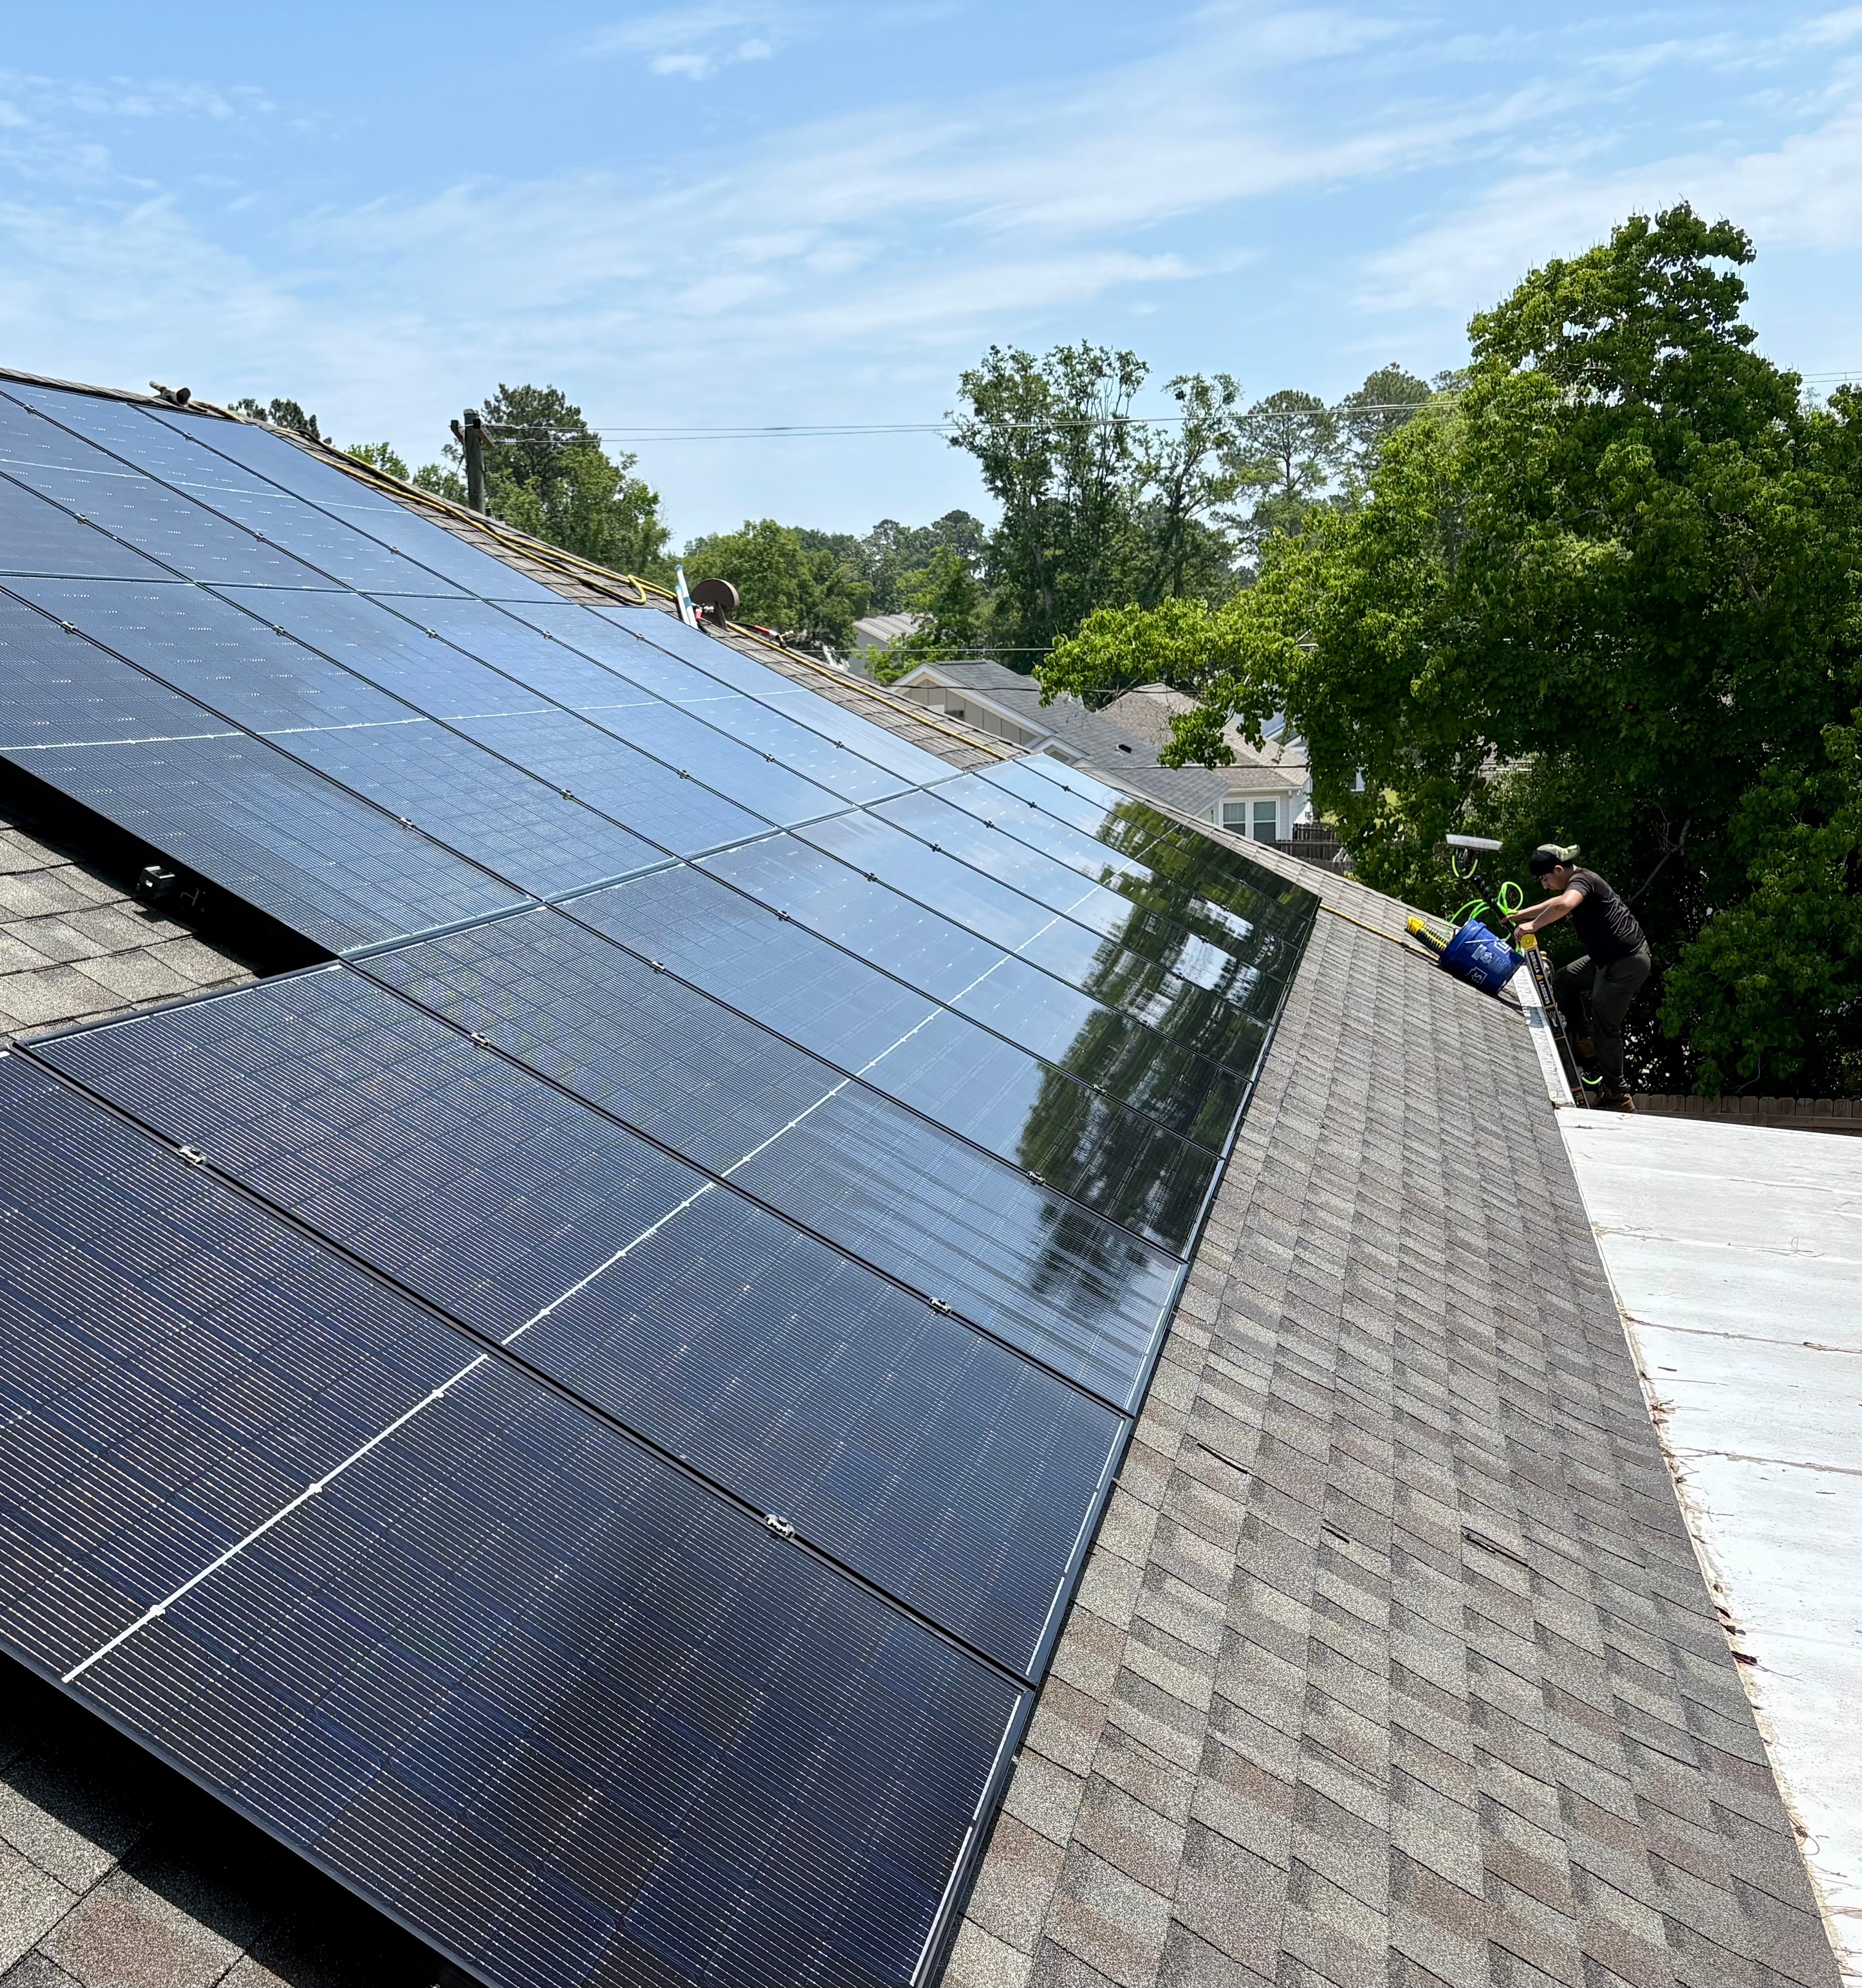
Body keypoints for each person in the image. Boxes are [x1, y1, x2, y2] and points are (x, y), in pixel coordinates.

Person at [1507, 844, 1651, 1111]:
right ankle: (1585, 1041)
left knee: (1605, 1023)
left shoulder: (1583, 880)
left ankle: (1618, 1095)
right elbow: (1555, 902)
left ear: (1559, 870)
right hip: (1605, 960)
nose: (1545, 886)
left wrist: (1534, 926)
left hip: (1627, 963)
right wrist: (1521, 915)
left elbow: (1565, 904)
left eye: (1545, 879)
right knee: (1565, 981)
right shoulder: (1574, 883)